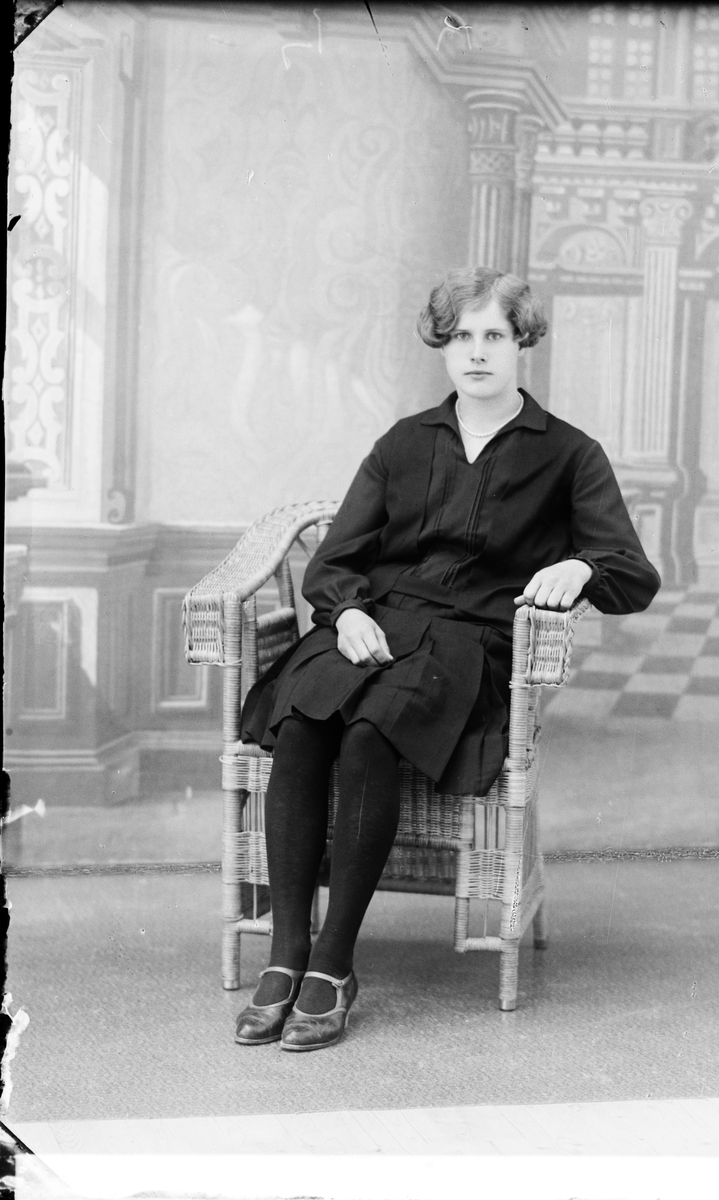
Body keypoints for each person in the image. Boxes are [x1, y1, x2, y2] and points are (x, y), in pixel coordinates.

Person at [234, 266, 660, 1052]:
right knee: (302, 725)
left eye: (493, 334)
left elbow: (633, 574)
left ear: (522, 342)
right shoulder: (403, 442)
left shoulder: (570, 454)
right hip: (374, 625)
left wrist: (581, 566)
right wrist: (347, 611)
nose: (476, 352)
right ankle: (285, 953)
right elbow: (334, 561)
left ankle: (334, 963)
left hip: (468, 643)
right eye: (461, 336)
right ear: (442, 345)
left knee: (369, 736)